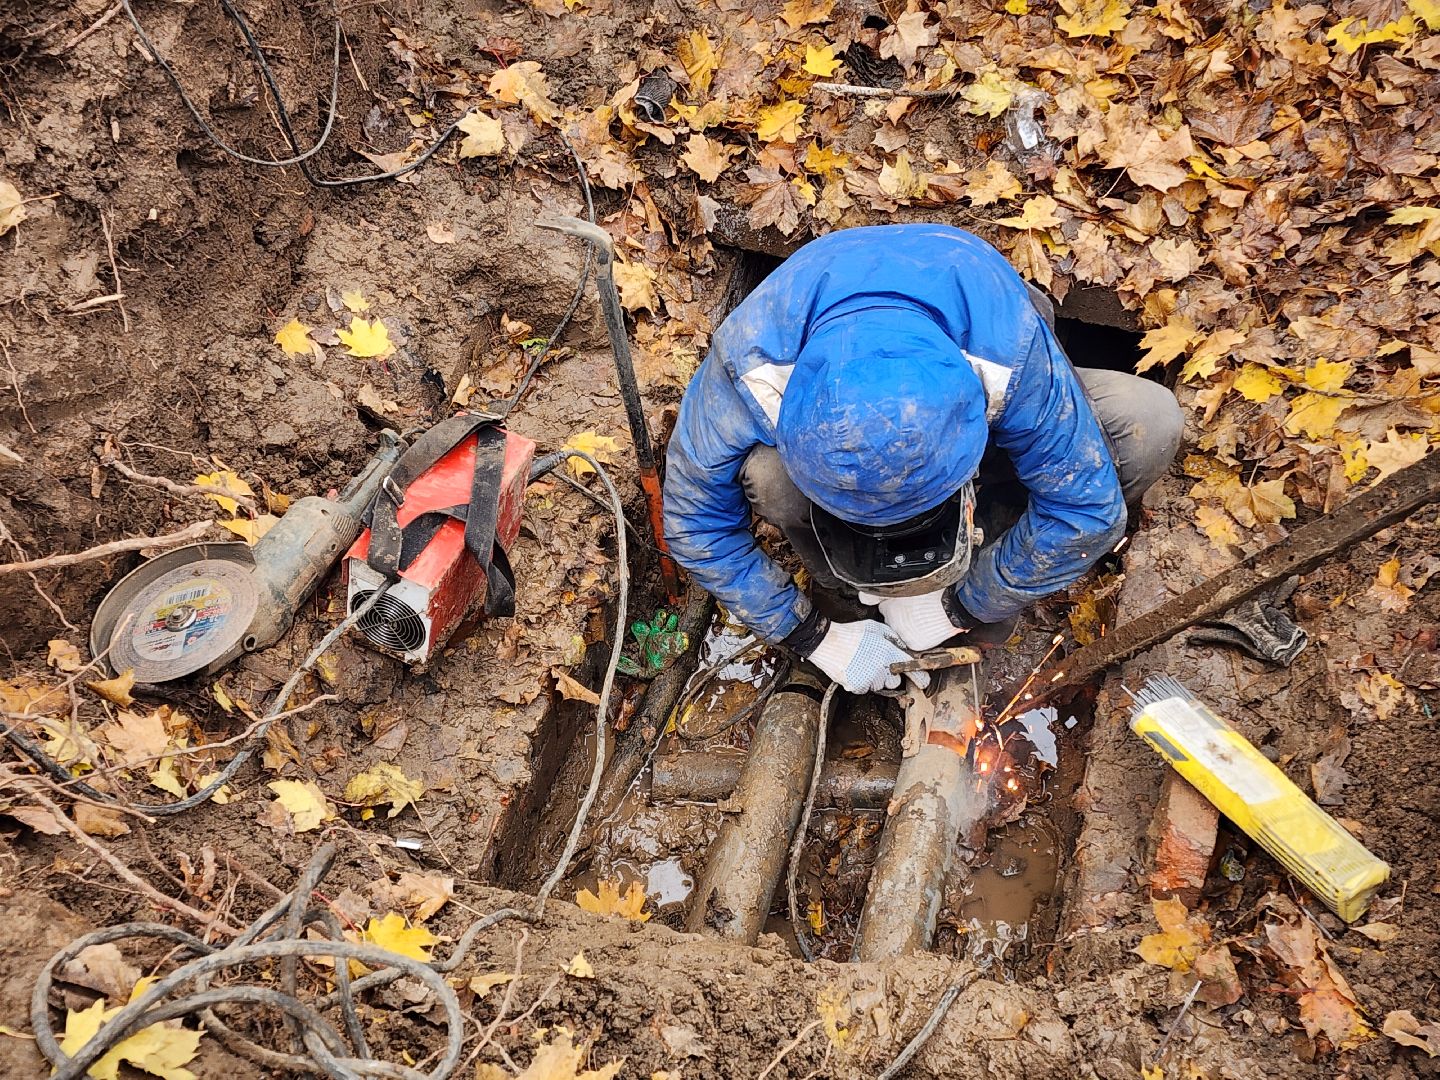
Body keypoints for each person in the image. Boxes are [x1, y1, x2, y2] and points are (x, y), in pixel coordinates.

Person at [663, 224, 1183, 695]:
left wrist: (965, 604)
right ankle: (846, 592)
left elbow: (1087, 510)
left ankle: (992, 551)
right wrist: (811, 635)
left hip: (973, 406)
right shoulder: (751, 362)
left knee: (1148, 422)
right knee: (769, 478)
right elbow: (693, 524)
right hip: (850, 413)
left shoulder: (1005, 350)